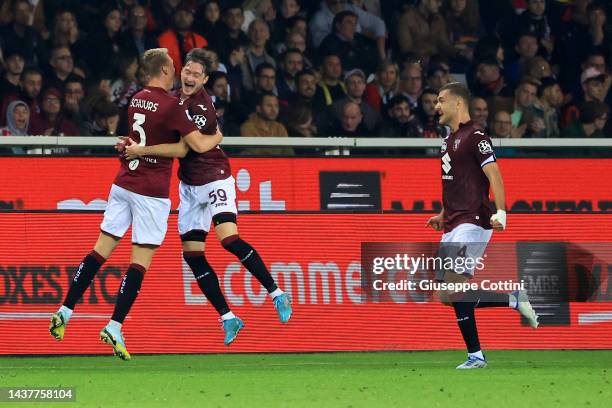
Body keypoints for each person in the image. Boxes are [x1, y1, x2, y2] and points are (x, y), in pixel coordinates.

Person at [48, 48, 223, 361]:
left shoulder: (136, 98)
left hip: (123, 184)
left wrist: (135, 148)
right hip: (150, 192)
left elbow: (135, 139)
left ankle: (65, 309)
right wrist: (217, 136)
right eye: (174, 66)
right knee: (139, 262)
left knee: (99, 250)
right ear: (166, 71)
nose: (178, 71)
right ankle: (115, 326)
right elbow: (188, 148)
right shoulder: (172, 106)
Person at [123, 50, 292, 345]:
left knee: (229, 239)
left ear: (205, 79)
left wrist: (146, 148)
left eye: (195, 74)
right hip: (189, 186)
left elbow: (192, 148)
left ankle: (276, 293)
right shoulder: (173, 99)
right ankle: (229, 318)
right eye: (186, 71)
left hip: (215, 176)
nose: (188, 77)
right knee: (192, 255)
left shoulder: (200, 106)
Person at [426, 82, 539, 369]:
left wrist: (501, 212)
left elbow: (494, 175)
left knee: (455, 289)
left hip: (473, 221)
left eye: (441, 101)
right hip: (453, 221)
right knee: (445, 296)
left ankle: (476, 356)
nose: (436, 106)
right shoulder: (448, 140)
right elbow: (457, 184)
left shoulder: (476, 135)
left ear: (458, 104)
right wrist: (442, 214)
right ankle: (512, 299)